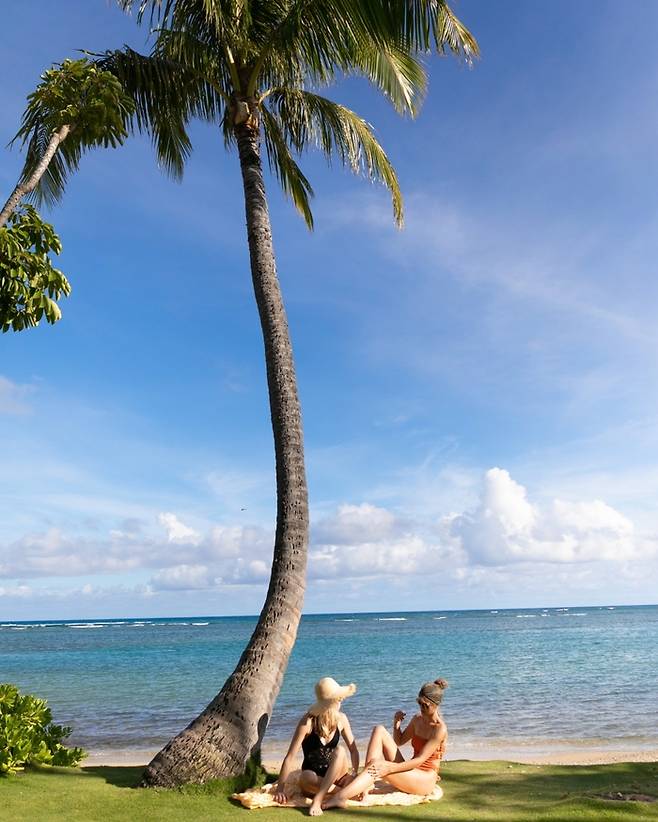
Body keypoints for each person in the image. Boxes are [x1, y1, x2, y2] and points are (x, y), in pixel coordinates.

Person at [323, 678, 448, 811]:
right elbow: (399, 741)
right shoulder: (417, 719)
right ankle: (366, 784)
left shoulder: (439, 729)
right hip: (411, 771)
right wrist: (396, 725)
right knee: (379, 730)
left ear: (436, 704)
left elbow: (420, 760)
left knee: (378, 765)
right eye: (420, 703)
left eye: (426, 705)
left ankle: (340, 798)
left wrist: (389, 768)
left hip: (425, 779)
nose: (422, 708)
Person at [273, 677, 360, 816]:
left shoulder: (342, 719)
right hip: (313, 779)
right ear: (329, 702)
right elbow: (290, 757)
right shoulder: (307, 722)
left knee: (340, 751)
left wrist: (354, 773)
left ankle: (321, 798)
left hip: (337, 774)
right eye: (338, 698)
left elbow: (354, 750)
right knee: (305, 776)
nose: (341, 700)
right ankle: (343, 793)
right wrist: (280, 790)